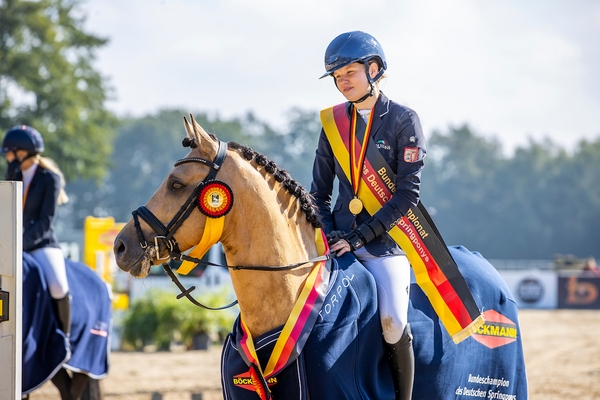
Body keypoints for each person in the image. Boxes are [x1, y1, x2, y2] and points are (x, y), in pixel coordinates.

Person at [311, 31, 426, 400]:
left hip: (385, 244)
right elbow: (318, 194)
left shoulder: (404, 120)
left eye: (349, 72)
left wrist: (359, 238)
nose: (342, 82)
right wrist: (330, 235)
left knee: (393, 321)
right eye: (337, 76)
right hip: (336, 242)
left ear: (374, 68)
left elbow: (408, 195)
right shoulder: (332, 123)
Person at [2, 125, 71, 336]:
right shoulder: (13, 173)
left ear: (20, 152)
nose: (6, 158)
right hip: (12, 242)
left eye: (8, 153)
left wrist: (19, 244)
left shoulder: (49, 178)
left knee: (58, 286)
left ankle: (63, 338)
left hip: (41, 244)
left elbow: (45, 221)